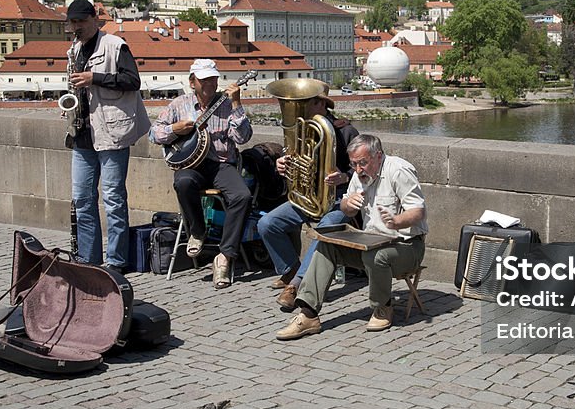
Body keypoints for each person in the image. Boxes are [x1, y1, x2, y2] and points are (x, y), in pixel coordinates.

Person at [276, 134, 427, 340]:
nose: (358, 169)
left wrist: (398, 220)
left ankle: (383, 307)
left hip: (407, 247)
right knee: (326, 247)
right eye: (353, 164)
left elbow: (418, 211)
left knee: (376, 256)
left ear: (378, 156)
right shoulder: (359, 174)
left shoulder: (399, 170)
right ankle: (308, 314)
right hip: (371, 243)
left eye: (363, 163)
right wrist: (349, 204)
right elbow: (346, 208)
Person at [149, 59, 253, 288]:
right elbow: (153, 133)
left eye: (213, 79)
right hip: (190, 165)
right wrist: (173, 129)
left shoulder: (226, 104)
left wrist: (237, 105)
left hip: (222, 165)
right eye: (204, 80)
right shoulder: (178, 104)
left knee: (242, 196)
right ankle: (197, 230)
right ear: (192, 82)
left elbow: (243, 138)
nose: (209, 84)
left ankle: (225, 256)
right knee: (183, 183)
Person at [65, 0, 151, 273]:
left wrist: (95, 78)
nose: (76, 27)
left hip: (112, 132)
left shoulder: (115, 46)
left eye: (80, 21)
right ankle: (89, 259)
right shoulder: (75, 50)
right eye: (73, 22)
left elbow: (132, 81)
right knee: (82, 199)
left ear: (94, 19)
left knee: (113, 199)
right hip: (82, 133)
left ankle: (116, 261)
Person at [259, 85, 359, 311]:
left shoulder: (346, 131)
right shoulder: (301, 130)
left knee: (325, 228)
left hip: (340, 199)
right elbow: (293, 160)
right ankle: (291, 269)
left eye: (308, 103)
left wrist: (344, 176)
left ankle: (296, 285)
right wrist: (282, 164)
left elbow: (364, 172)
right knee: (267, 223)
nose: (301, 108)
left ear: (322, 104)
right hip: (308, 198)